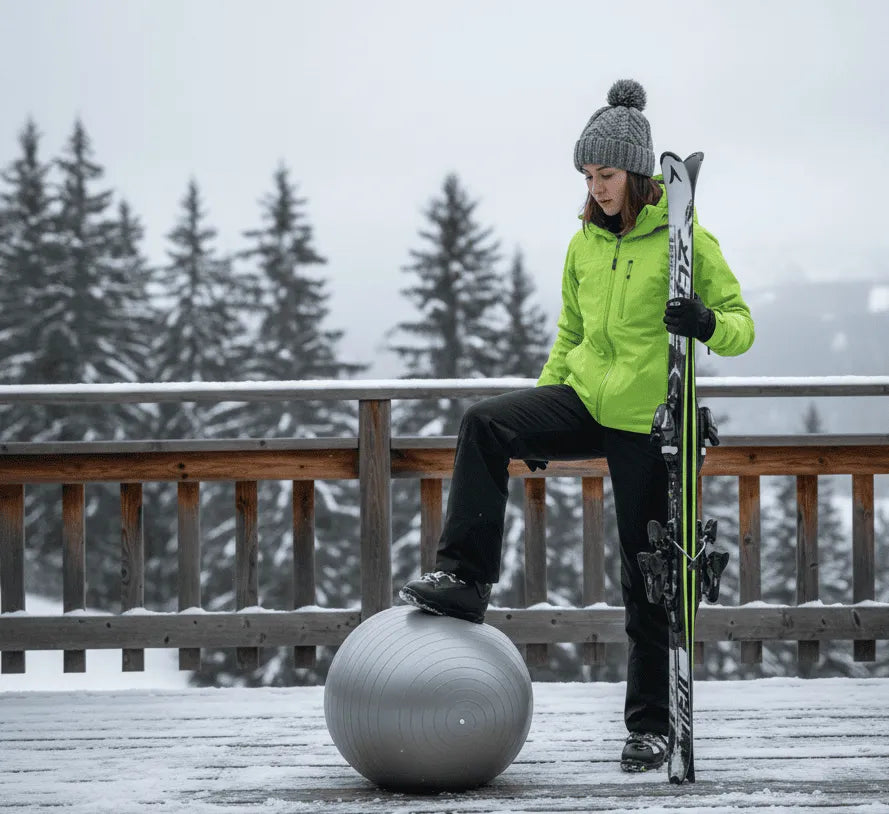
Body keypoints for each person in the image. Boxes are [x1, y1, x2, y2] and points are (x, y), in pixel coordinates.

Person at [399, 78, 755, 773]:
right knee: (485, 425)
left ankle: (650, 727)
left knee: (644, 573)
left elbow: (741, 325)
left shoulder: (686, 239)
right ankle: (464, 579)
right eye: (588, 175)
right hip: (585, 398)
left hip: (651, 424)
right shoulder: (583, 245)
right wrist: (542, 412)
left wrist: (708, 324)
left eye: (607, 174)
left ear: (639, 174)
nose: (596, 187)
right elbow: (568, 335)